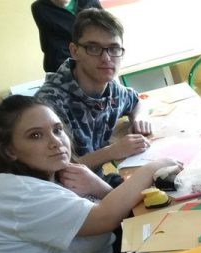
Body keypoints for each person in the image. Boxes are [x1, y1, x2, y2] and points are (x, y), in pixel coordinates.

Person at [0, 95, 178, 253]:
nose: (56, 142)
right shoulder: (21, 194)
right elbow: (105, 218)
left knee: (159, 222)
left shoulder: (43, 175)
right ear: (9, 151)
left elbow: (110, 211)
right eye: (36, 135)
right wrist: (152, 168)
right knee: (171, 244)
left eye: (57, 130)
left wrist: (97, 186)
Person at [36, 8, 152, 185]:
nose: (106, 58)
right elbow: (56, 174)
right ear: (74, 51)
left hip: (96, 182)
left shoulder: (112, 89)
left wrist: (138, 118)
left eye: (114, 48)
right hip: (66, 194)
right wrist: (112, 151)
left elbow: (135, 101)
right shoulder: (48, 105)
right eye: (94, 48)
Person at [31, 0, 103, 73]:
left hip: (95, 61)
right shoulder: (40, 8)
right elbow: (58, 45)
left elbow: (104, 29)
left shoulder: (90, 2)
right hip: (62, 66)